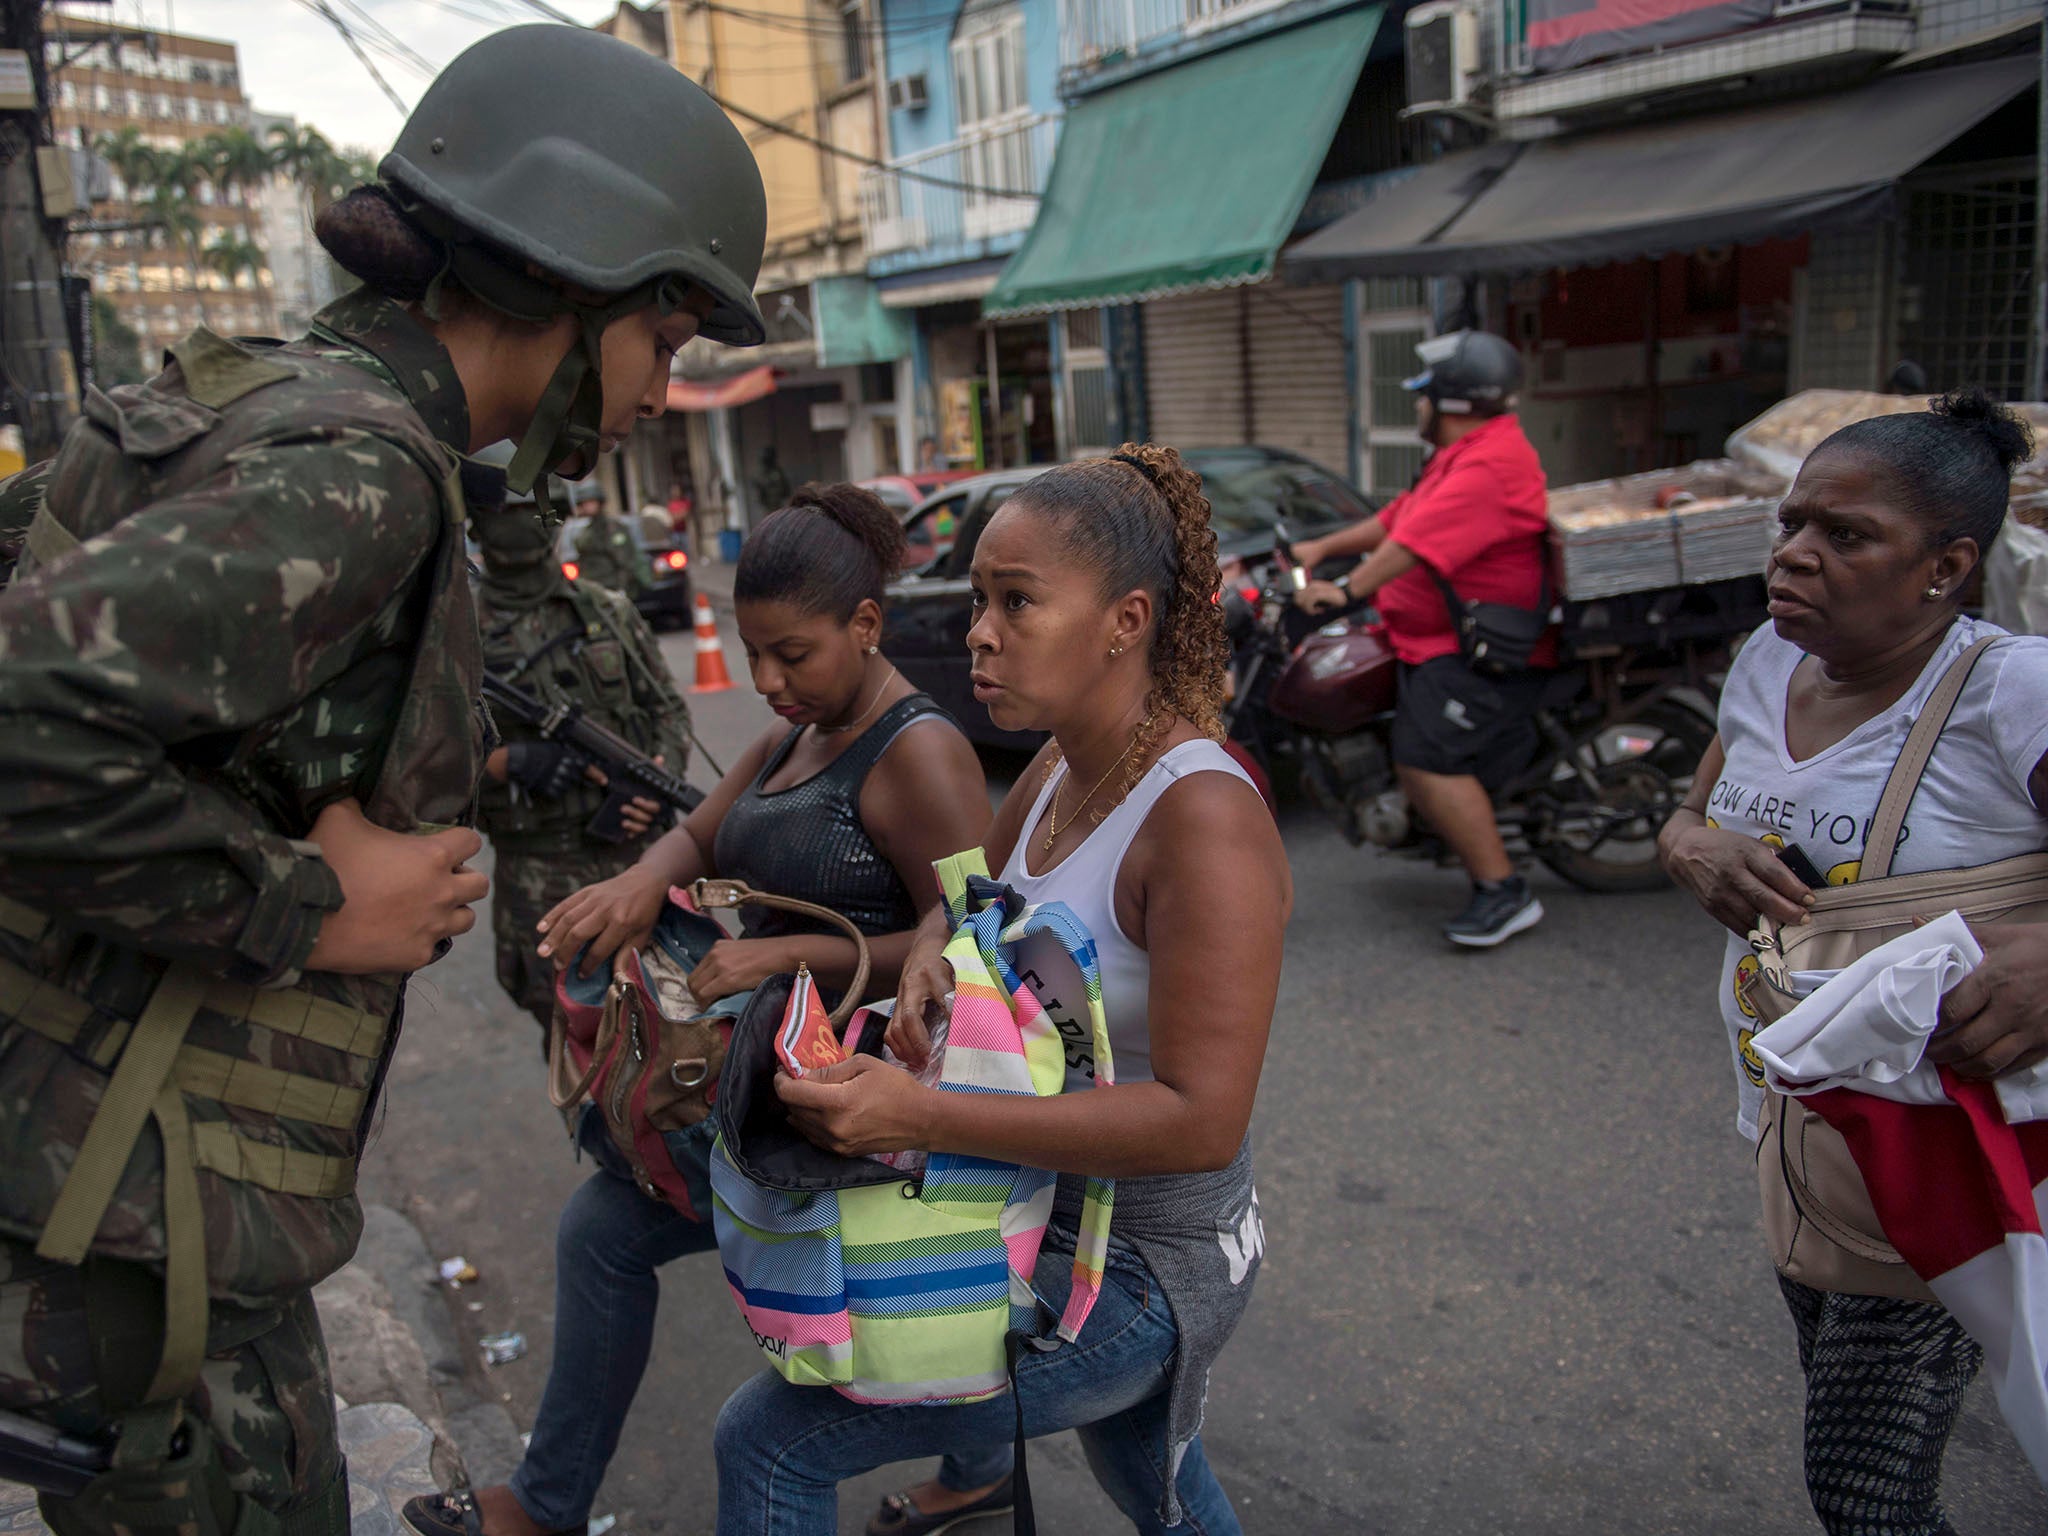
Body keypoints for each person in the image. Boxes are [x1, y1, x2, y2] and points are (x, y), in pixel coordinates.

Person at [0, 24, 766, 1536]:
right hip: (140, 1244)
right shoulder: (359, 471)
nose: (658, 400)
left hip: (109, 1191)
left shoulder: (260, 396)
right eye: (664, 347)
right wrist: (306, 903)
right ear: (568, 284)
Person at [712, 444, 1292, 1535]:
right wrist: (933, 942)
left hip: (1141, 1271)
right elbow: (966, 892)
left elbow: (1203, 1120)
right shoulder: (1052, 771)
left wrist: (917, 1111)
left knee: (769, 1440)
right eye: (979, 598)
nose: (978, 631)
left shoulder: (1201, 816)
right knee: (1155, 1489)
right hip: (1029, 1219)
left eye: (1016, 602)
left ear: (1125, 620)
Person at [401, 484, 994, 1536]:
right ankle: (548, 1503)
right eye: (748, 651)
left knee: (884, 1310)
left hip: (857, 1110)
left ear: (865, 627)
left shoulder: (920, 753)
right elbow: (698, 840)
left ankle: (980, 1454)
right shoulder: (786, 741)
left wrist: (791, 950)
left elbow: (969, 941)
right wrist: (637, 883)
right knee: (602, 1233)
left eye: (792, 655)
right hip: (757, 1086)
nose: (765, 681)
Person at [1657, 390, 2048, 1536]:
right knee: (1840, 1402)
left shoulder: (2004, 692)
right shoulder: (1763, 664)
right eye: (1789, 525)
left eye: (1845, 534)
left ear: (1944, 567)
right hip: (1799, 1131)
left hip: (1941, 1148)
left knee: (1864, 1492)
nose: (1794, 554)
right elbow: (1687, 819)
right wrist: (1692, 852)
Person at [1289, 329, 1553, 947]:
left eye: (1423, 396)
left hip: (1472, 649)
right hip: (1425, 635)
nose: (1417, 407)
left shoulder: (1488, 465)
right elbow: (1398, 519)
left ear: (1453, 404)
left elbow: (1412, 545)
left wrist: (1345, 590)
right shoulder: (1463, 454)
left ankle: (1503, 891)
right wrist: (1322, 547)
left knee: (1424, 760)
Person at [469, 457, 694, 1040]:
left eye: (530, 511)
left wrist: (649, 780)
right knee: (573, 1036)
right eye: (503, 512)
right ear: (475, 523)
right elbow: (419, 762)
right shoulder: (453, 630)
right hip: (540, 869)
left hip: (636, 855)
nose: (518, 525)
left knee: (675, 1026)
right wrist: (508, 762)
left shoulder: (607, 613)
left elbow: (667, 710)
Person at [573, 489, 647, 601]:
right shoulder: (586, 531)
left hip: (612, 586)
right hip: (591, 586)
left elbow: (624, 561)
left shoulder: (613, 528)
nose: (588, 506)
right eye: (585, 503)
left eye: (591, 502)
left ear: (600, 503)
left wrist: (622, 588)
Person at [752, 442, 792, 515]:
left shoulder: (778, 471)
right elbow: (759, 495)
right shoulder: (761, 475)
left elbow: (786, 490)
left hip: (779, 506)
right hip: (769, 508)